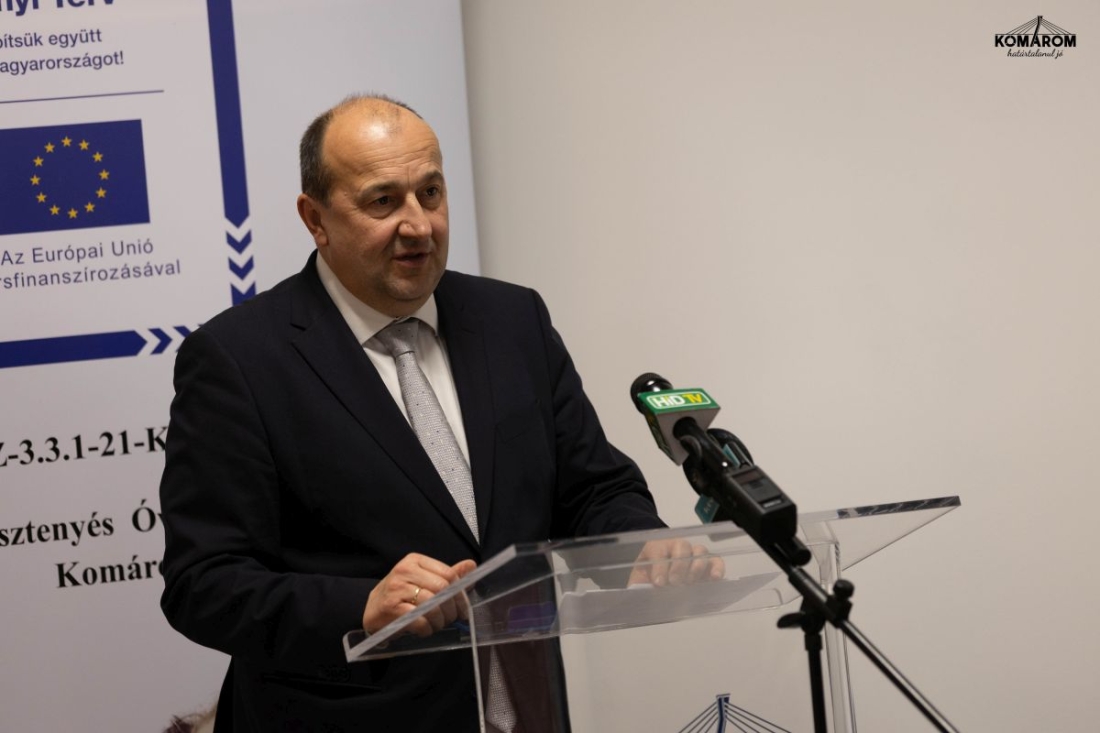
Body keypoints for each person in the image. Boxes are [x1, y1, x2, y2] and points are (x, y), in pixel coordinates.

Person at [158, 95, 672, 732]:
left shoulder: (513, 320)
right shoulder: (239, 359)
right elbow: (203, 583)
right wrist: (362, 604)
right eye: (383, 201)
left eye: (431, 193)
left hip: (526, 711)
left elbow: (593, 489)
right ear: (315, 219)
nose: (419, 225)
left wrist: (643, 545)